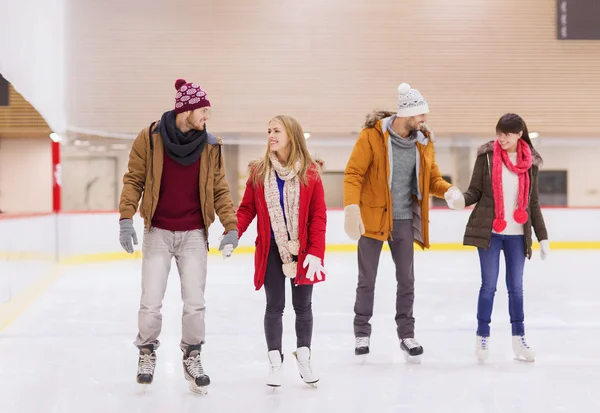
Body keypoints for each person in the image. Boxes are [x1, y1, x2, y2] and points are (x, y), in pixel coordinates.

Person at [118, 79, 239, 393]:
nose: (206, 117)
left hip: (194, 234)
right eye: (203, 110)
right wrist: (126, 219)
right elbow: (134, 180)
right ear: (185, 109)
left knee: (195, 303)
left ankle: (193, 355)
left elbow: (220, 189)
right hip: (157, 230)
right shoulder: (150, 138)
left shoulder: (210, 145)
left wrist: (231, 226)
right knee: (150, 302)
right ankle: (146, 353)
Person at [343, 83, 462, 363]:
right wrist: (351, 208)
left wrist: (448, 190)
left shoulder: (423, 141)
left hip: (405, 219)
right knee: (366, 280)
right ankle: (362, 333)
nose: (425, 120)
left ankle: (406, 335)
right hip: (373, 219)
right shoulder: (371, 137)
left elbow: (431, 179)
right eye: (421, 115)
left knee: (406, 279)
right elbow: (353, 174)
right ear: (407, 113)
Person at [447, 113, 549, 363]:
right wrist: (460, 200)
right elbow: (475, 191)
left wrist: (542, 236)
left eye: (507, 134)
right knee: (489, 286)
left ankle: (519, 341)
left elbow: (533, 203)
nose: (502, 138)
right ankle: (482, 336)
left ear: (519, 134)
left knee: (516, 288)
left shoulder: (530, 163)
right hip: (491, 233)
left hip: (517, 235)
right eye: (499, 133)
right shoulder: (487, 157)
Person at [235, 115, 327, 388]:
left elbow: (318, 215)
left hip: (303, 250)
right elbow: (247, 209)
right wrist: (233, 233)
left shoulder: (310, 172)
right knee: (274, 307)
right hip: (271, 250)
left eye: (276, 130)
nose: (271, 135)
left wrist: (315, 252)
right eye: (268, 131)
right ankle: (275, 362)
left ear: (292, 135)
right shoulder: (259, 172)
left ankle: (304, 357)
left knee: (303, 307)